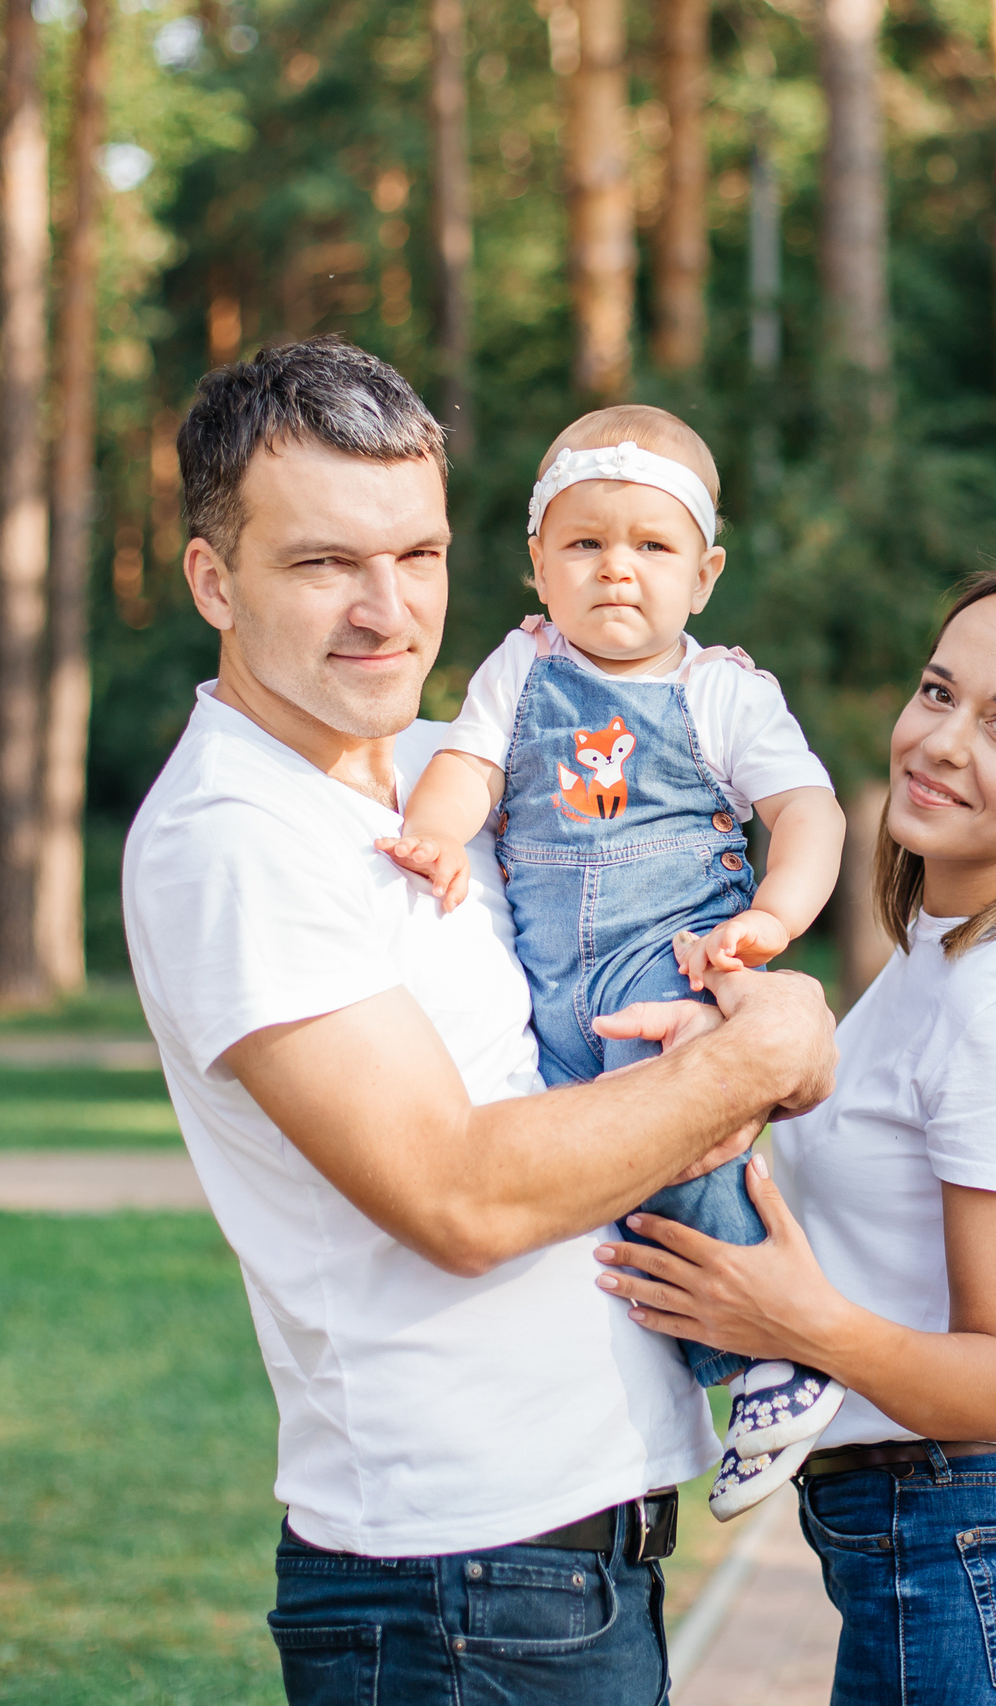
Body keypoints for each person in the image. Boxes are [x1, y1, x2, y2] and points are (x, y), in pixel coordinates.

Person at [120, 337, 835, 1706]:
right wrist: (759, 1053)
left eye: (420, 555)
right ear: (214, 578)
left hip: (570, 1557)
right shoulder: (235, 838)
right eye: (325, 562)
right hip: (455, 1586)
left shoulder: (469, 764)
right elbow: (455, 1195)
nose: (387, 608)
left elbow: (689, 852)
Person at [596, 562, 996, 1706]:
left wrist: (801, 1323)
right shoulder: (950, 958)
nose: (942, 741)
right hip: (955, 1544)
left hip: (966, 1558)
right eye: (937, 691)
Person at [378, 405, 853, 1518]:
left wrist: (774, 920)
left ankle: (777, 1356)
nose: (617, 571)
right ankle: (665, 1376)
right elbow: (466, 766)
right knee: (593, 1177)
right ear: (538, 562)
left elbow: (810, 810)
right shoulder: (518, 666)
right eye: (584, 544)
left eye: (652, 545)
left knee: (688, 1155)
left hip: (668, 957)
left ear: (705, 572)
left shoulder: (723, 691)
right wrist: (438, 834)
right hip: (555, 984)